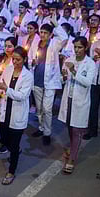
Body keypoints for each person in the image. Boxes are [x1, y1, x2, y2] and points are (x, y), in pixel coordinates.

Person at [0, 46, 33, 185]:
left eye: (18, 59)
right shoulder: (8, 70)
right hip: (5, 111)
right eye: (13, 59)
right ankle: (14, 150)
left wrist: (6, 89)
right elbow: (1, 87)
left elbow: (22, 96)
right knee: (4, 140)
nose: (15, 62)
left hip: (17, 113)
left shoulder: (28, 76)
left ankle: (11, 171)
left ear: (24, 59)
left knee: (14, 144)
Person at [59, 37, 96, 174]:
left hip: (80, 101)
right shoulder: (69, 60)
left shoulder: (90, 64)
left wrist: (74, 71)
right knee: (69, 125)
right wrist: (63, 76)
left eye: (80, 47)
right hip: (68, 98)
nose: (77, 50)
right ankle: (72, 148)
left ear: (85, 48)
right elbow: (63, 79)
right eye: (75, 47)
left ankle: (72, 159)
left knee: (76, 130)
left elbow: (87, 82)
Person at [30, 16, 67, 144]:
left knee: (47, 108)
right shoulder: (35, 43)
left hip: (50, 81)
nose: (43, 35)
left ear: (51, 34)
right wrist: (32, 62)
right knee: (39, 108)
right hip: (37, 80)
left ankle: (47, 132)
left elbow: (64, 37)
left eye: (46, 33)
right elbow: (30, 58)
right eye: (41, 32)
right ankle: (41, 127)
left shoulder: (55, 44)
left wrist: (55, 24)